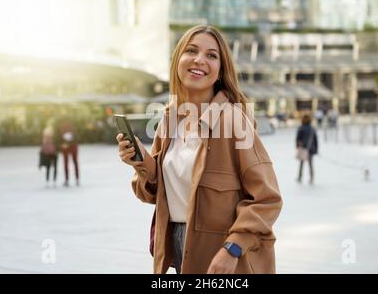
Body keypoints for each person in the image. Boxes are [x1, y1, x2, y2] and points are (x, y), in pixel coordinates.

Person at [117, 25, 283, 274]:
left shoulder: (233, 120)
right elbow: (155, 194)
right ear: (178, 61)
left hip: (225, 252)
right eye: (191, 50)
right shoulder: (169, 119)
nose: (200, 60)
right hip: (178, 244)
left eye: (212, 55)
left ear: (220, 71)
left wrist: (232, 249)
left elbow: (267, 199)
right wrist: (143, 164)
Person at [296, 114, 318, 184]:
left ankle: (300, 177)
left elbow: (298, 139)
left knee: (301, 164)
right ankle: (311, 178)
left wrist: (297, 146)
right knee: (310, 164)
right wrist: (316, 149)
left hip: (303, 148)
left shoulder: (301, 128)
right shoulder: (312, 128)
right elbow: (315, 140)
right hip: (311, 149)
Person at [59, 118, 80, 187]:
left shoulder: (62, 127)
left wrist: (64, 144)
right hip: (73, 146)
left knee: (66, 163)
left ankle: (67, 180)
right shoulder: (73, 127)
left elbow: (60, 137)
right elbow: (76, 137)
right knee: (75, 162)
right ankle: (77, 179)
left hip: (67, 147)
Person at [40, 120, 58, 187]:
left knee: (50, 167)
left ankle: (51, 180)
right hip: (51, 151)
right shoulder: (52, 131)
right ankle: (52, 180)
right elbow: (44, 142)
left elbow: (44, 142)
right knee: (51, 167)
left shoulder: (47, 131)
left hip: (52, 151)